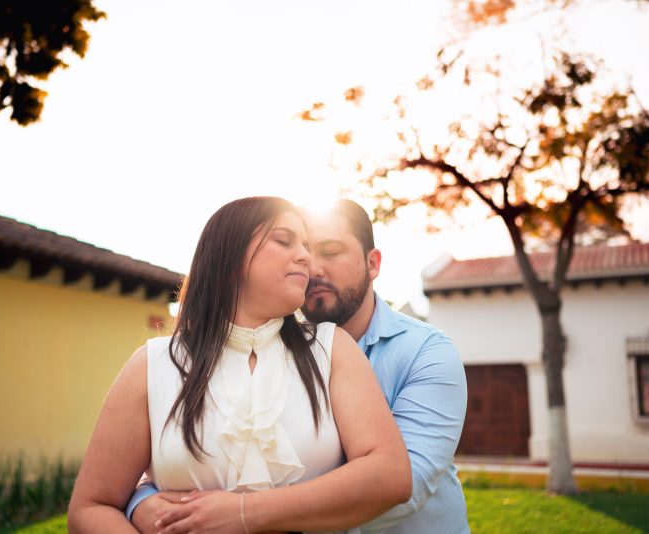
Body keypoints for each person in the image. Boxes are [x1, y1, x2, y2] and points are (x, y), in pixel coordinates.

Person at [68, 197, 411, 534]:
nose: (306, 257)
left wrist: (244, 513)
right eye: (284, 240)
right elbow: (91, 508)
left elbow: (390, 474)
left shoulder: (332, 348)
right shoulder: (154, 364)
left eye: (305, 245)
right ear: (230, 256)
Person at [130, 199, 469, 534]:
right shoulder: (258, 353)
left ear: (373, 264)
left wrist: (239, 513)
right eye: (296, 246)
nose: (311, 265)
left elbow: (402, 488)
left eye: (331, 252)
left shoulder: (426, 352)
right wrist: (144, 498)